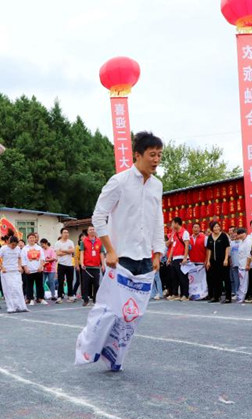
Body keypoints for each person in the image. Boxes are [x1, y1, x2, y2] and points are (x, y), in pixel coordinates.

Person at [82, 131, 165, 371]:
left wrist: (157, 252)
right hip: (120, 259)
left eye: (159, 155)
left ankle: (115, 356)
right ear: (137, 155)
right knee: (113, 311)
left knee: (133, 315)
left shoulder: (157, 186)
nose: (156, 159)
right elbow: (98, 217)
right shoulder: (119, 182)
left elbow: (157, 219)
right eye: (152, 154)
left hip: (145, 260)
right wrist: (109, 250)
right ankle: (91, 345)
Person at [0, 235, 28, 313]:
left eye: (15, 245)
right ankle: (11, 307)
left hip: (16, 271)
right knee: (9, 289)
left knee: (18, 288)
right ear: (9, 242)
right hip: (7, 272)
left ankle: (21, 306)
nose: (13, 246)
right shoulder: (3, 248)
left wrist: (20, 266)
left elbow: (19, 257)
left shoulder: (18, 249)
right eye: (12, 245)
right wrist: (2, 267)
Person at [205, 220, 231, 303]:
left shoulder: (223, 236)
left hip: (223, 261)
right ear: (212, 228)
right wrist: (208, 261)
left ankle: (228, 297)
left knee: (226, 279)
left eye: (218, 226)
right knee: (215, 279)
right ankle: (216, 296)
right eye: (214, 227)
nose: (216, 228)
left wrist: (226, 258)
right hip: (213, 261)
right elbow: (209, 250)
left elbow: (227, 247)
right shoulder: (210, 237)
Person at [79, 226, 105, 306]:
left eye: (93, 229)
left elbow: (101, 253)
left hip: (96, 267)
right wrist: (82, 263)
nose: (92, 231)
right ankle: (85, 299)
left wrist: (103, 264)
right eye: (90, 229)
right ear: (87, 232)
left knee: (96, 284)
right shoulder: (84, 241)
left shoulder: (99, 241)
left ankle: (95, 299)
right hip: (86, 267)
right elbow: (82, 253)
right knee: (85, 284)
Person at [167, 217, 190, 301]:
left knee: (183, 277)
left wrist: (185, 258)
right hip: (175, 258)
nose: (172, 225)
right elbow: (173, 247)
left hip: (182, 258)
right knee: (174, 277)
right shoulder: (174, 233)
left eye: (173, 223)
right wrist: (169, 258)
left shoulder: (185, 232)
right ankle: (175, 294)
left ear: (177, 223)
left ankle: (185, 295)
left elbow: (187, 245)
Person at [21, 233, 47, 305]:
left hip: (38, 269)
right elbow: (23, 260)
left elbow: (42, 258)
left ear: (35, 239)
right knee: (29, 285)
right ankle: (30, 298)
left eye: (33, 238)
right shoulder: (25, 249)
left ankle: (40, 298)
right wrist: (25, 268)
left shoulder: (39, 248)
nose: (32, 239)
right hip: (29, 270)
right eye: (30, 238)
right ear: (28, 239)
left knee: (40, 285)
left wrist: (40, 267)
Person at [54, 228, 76, 304]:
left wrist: (63, 250)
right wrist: (68, 251)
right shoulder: (57, 243)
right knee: (60, 281)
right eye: (64, 232)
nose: (66, 234)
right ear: (61, 234)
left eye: (67, 232)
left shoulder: (71, 242)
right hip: (61, 264)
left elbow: (73, 251)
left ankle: (70, 295)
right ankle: (59, 296)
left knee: (70, 281)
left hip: (70, 265)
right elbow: (58, 253)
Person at [228, 226, 241, 298]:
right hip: (234, 264)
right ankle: (236, 292)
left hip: (242, 264)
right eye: (234, 234)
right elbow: (229, 254)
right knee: (235, 279)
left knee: (242, 280)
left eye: (237, 234)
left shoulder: (243, 242)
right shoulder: (231, 243)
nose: (235, 235)